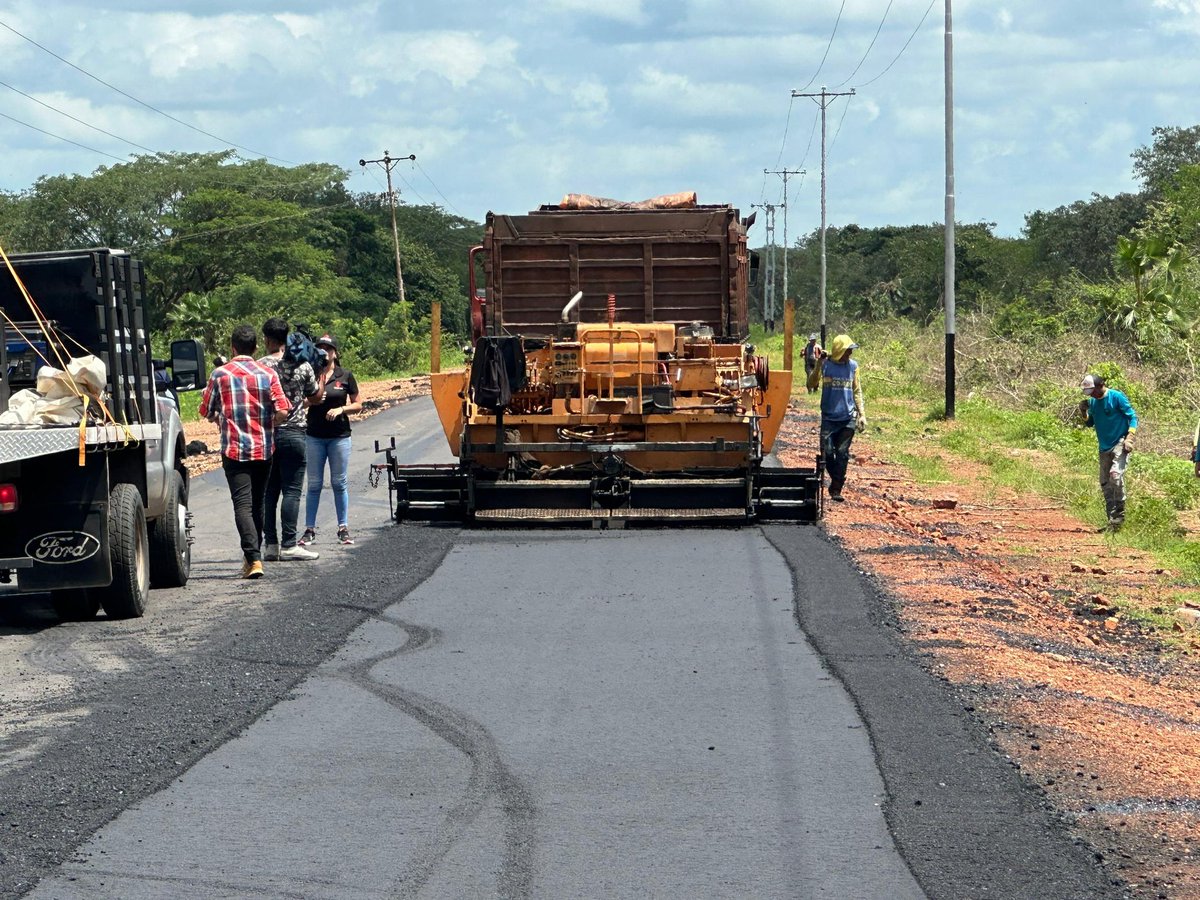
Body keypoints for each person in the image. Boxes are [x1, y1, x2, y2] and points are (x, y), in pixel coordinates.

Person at [198, 324, 290, 578]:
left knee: (242, 504)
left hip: (234, 449)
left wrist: (218, 414)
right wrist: (269, 424)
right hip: (263, 448)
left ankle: (253, 558)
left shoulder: (220, 374)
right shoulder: (267, 373)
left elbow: (205, 410)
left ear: (232, 348)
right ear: (256, 348)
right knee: (258, 503)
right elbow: (283, 409)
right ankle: (253, 557)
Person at [258, 318, 321, 562]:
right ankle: (289, 543)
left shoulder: (261, 366)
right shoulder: (303, 365)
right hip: (295, 432)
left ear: (267, 339)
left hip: (268, 433)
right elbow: (315, 397)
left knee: (269, 492)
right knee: (292, 491)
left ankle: (270, 545)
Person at [298, 334, 362, 547]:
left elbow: (358, 404)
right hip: (314, 436)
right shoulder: (311, 374)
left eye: (328, 348)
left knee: (339, 482)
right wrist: (312, 400)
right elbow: (300, 403)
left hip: (339, 436)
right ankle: (309, 529)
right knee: (314, 484)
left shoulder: (345, 375)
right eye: (321, 348)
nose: (325, 352)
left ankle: (343, 527)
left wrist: (341, 409)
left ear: (335, 352)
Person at [806, 333, 867, 502]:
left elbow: (857, 391)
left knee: (842, 453)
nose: (850, 354)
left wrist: (862, 414)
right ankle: (836, 479)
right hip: (829, 418)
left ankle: (836, 488)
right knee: (827, 453)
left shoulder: (853, 366)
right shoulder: (825, 365)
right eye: (848, 350)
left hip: (847, 418)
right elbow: (811, 384)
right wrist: (819, 364)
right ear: (840, 351)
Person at [1079, 374, 1137, 532]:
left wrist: (1130, 438)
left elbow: (1133, 417)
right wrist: (1084, 412)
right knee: (1105, 483)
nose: (1091, 395)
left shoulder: (1116, 397)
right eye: (1089, 393)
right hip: (1104, 447)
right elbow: (1090, 423)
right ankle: (1112, 521)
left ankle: (1120, 517)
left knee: (1115, 475)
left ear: (1101, 385)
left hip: (1120, 442)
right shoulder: (1093, 402)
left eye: (1093, 391)